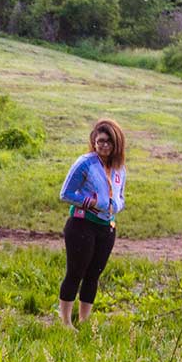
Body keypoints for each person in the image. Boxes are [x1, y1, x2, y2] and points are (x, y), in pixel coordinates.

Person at [57, 119, 125, 328]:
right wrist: (89, 202)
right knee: (75, 273)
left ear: (116, 144)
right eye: (100, 141)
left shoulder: (119, 168)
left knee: (93, 275)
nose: (104, 145)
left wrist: (115, 205)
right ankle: (66, 323)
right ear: (94, 142)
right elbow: (65, 194)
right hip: (82, 225)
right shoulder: (85, 163)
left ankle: (84, 321)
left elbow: (121, 196)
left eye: (109, 142)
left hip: (106, 228)